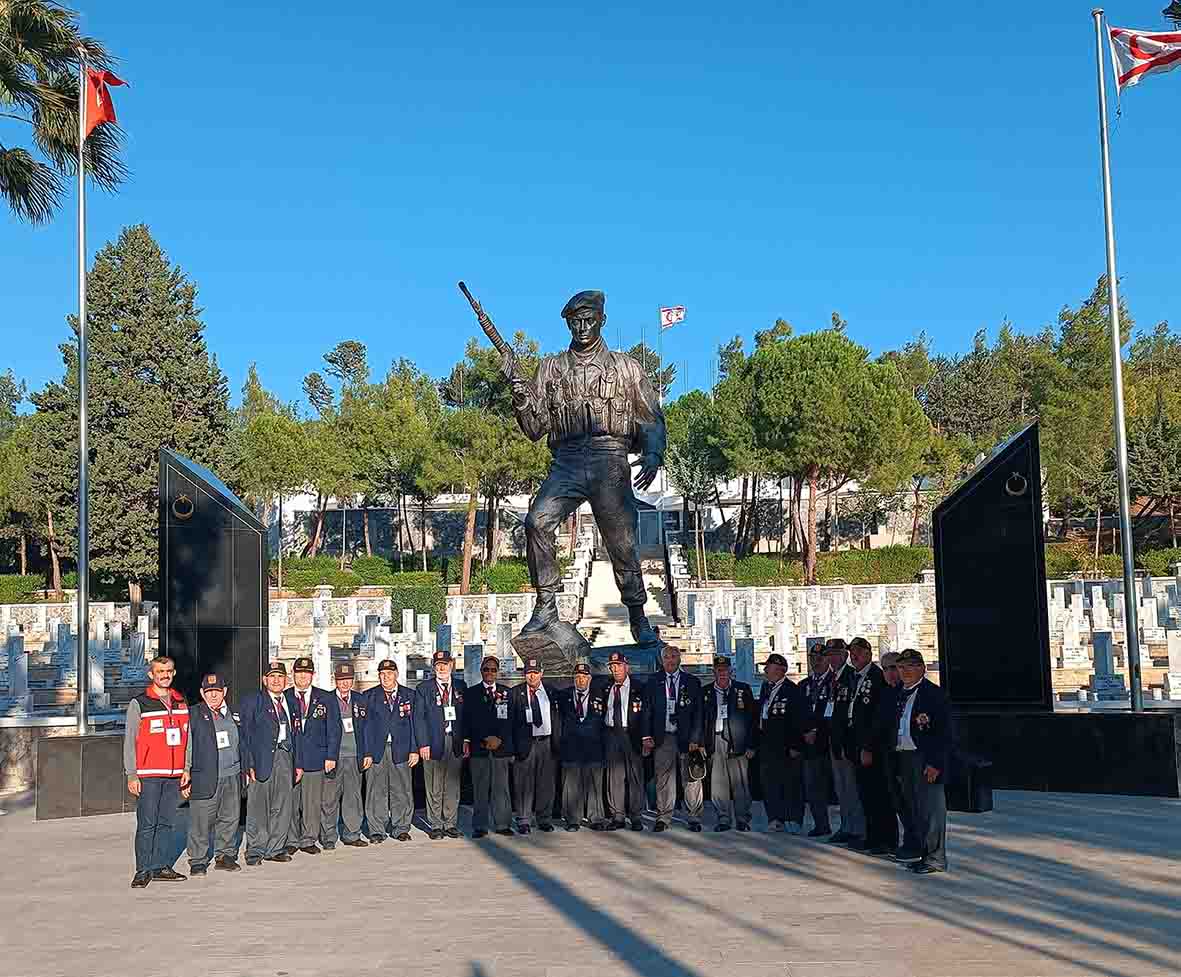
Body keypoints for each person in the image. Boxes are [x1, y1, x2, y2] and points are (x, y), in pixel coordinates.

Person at [510, 289, 665, 644]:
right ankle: (546, 605)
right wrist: (520, 397)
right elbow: (534, 429)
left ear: (602, 321)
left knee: (621, 543)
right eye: (574, 321)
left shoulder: (626, 367)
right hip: (566, 461)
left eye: (588, 320)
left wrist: (653, 451)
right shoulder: (550, 368)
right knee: (537, 521)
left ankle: (638, 614)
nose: (581, 326)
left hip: (610, 459)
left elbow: (651, 417)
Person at [124, 654, 190, 888]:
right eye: (160, 671)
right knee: (147, 823)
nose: (165, 675)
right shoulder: (140, 703)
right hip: (149, 774)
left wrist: (186, 768)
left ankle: (161, 865)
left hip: (173, 775)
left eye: (169, 671)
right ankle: (143, 869)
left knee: (166, 822)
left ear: (173, 673)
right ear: (152, 674)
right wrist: (132, 773)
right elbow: (130, 740)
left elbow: (187, 738)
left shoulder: (181, 702)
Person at [893, 649, 952, 874]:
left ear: (922, 668)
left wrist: (935, 763)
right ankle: (923, 854)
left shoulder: (933, 695)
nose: (905, 671)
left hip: (925, 757)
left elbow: (944, 733)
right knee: (914, 809)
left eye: (910, 666)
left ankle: (936, 858)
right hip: (904, 756)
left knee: (932, 810)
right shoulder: (898, 693)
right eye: (901, 667)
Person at [240, 661, 303, 866]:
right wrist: (248, 763)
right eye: (272, 676)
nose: (276, 680)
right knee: (258, 806)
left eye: (280, 677)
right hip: (261, 760)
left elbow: (298, 735)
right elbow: (245, 735)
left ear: (286, 680)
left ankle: (275, 848)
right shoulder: (253, 701)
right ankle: (256, 849)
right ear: (264, 680)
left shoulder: (292, 702)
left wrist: (298, 763)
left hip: (286, 758)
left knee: (282, 805)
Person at [182, 672, 243, 876]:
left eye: (217, 691)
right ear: (202, 693)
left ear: (224, 691)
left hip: (232, 774)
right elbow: (187, 745)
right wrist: (186, 770)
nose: (213, 696)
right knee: (201, 820)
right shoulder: (194, 714)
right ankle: (198, 859)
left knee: (229, 817)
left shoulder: (234, 712)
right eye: (209, 692)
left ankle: (225, 855)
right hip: (205, 776)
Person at [643, 643, 704, 832]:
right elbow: (647, 711)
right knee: (663, 778)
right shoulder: (653, 681)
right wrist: (646, 736)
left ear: (679, 659)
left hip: (687, 738)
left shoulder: (692, 682)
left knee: (691, 778)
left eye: (673, 656)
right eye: (667, 657)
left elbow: (699, 713)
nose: (670, 660)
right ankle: (664, 816)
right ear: (662, 660)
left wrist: (696, 739)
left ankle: (694, 816)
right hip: (664, 737)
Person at [845, 637, 896, 855]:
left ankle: (886, 839)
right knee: (866, 794)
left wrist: (869, 747)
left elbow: (877, 718)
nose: (853, 656)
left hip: (873, 748)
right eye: (851, 652)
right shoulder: (855, 677)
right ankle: (873, 836)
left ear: (868, 653)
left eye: (858, 652)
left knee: (879, 795)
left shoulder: (876, 676)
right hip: (857, 744)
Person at [285, 657, 340, 856]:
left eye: (306, 673)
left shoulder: (325, 697)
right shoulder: (284, 697)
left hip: (316, 757)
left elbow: (334, 729)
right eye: (299, 673)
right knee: (291, 802)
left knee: (312, 802)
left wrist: (331, 755)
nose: (302, 676)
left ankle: (308, 839)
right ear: (293, 675)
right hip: (291, 758)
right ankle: (291, 839)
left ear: (312, 675)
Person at [364, 658, 419, 842]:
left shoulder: (410, 695)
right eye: (382, 674)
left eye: (389, 673)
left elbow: (415, 725)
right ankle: (377, 830)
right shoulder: (369, 696)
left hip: (401, 750)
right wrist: (367, 753)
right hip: (376, 750)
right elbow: (364, 728)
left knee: (401, 789)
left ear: (396, 674)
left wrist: (414, 749)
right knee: (375, 790)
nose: (385, 677)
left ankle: (401, 827)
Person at [414, 649, 467, 839]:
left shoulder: (461, 686)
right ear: (434, 667)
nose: (442, 668)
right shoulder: (424, 689)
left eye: (445, 664)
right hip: (433, 742)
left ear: (451, 665)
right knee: (434, 785)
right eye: (438, 665)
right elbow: (418, 719)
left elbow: (465, 717)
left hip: (455, 740)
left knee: (452, 784)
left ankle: (450, 823)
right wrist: (423, 744)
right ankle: (436, 824)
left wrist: (466, 740)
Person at [701, 656, 755, 832]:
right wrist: (701, 743)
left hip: (737, 741)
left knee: (740, 782)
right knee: (718, 782)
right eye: (719, 670)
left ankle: (742, 818)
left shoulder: (742, 690)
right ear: (714, 672)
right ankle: (723, 818)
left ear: (731, 671)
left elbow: (752, 720)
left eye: (725, 670)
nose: (722, 673)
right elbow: (701, 720)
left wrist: (751, 745)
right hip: (716, 739)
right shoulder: (706, 692)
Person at [464, 656, 515, 838]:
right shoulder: (471, 693)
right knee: (480, 789)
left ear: (498, 672)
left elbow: (511, 722)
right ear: (481, 671)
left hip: (501, 749)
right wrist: (483, 738)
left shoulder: (507, 693)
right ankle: (480, 825)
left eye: (493, 670)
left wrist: (500, 739)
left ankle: (502, 824)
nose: (490, 673)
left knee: (501, 788)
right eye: (486, 669)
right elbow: (468, 722)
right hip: (480, 748)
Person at [322, 662, 370, 849]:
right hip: (334, 757)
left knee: (353, 798)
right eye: (341, 680)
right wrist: (327, 755)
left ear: (353, 680)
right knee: (329, 799)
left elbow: (367, 729)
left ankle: (352, 834)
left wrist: (366, 753)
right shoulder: (326, 700)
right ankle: (328, 837)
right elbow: (320, 731)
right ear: (335, 680)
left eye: (348, 679)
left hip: (354, 756)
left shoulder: (360, 699)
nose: (344, 683)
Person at [754, 652, 803, 833]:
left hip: (785, 745)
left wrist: (795, 745)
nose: (765, 670)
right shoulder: (766, 688)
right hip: (767, 743)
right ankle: (775, 817)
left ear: (780, 670)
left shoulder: (791, 690)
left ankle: (793, 818)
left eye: (769, 667)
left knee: (789, 783)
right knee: (770, 783)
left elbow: (798, 720)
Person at [556, 661, 608, 831]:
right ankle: (573, 819)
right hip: (571, 747)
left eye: (584, 677)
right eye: (577, 677)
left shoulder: (601, 695)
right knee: (571, 785)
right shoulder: (563, 696)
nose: (581, 680)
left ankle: (596, 818)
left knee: (594, 785)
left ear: (590, 678)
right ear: (573, 679)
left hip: (594, 747)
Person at [510, 657, 560, 834]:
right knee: (523, 784)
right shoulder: (515, 693)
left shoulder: (552, 692)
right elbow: (510, 723)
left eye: (535, 673)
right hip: (525, 744)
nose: (532, 676)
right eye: (528, 673)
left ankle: (544, 818)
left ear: (542, 673)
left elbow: (558, 719)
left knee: (545, 783)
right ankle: (523, 819)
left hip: (546, 743)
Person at [823, 638, 864, 846]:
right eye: (829, 655)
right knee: (841, 787)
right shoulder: (832, 678)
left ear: (845, 656)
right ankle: (846, 826)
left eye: (836, 654)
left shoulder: (851, 676)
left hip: (848, 740)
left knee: (852, 787)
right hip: (834, 739)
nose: (832, 658)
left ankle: (857, 829)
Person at [602, 650, 649, 830]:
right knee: (615, 777)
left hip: (632, 734)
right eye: (612, 666)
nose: (616, 670)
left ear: (626, 667)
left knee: (635, 776)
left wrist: (646, 737)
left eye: (619, 666)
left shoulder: (640, 687)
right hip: (612, 734)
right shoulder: (606, 687)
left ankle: (636, 816)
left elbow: (646, 715)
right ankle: (618, 816)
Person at [797, 643, 833, 837]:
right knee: (813, 787)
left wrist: (816, 730)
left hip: (829, 742)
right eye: (813, 658)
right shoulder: (803, 686)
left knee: (843, 788)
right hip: (809, 746)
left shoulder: (835, 682)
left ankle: (852, 828)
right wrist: (805, 732)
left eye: (820, 658)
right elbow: (798, 714)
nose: (816, 661)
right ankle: (821, 824)